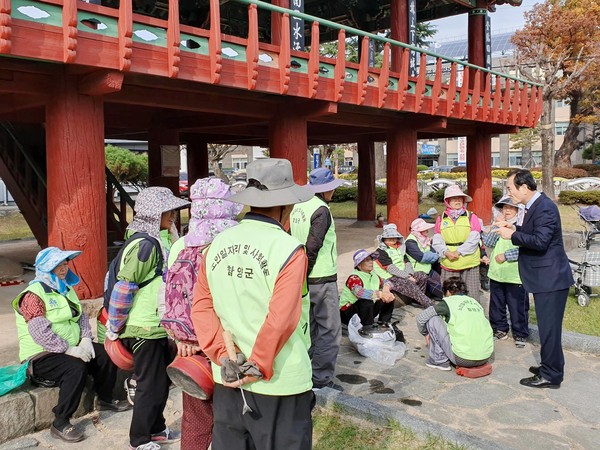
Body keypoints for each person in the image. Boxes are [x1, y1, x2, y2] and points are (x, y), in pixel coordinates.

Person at [192, 158, 314, 450]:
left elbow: (202, 307)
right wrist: (257, 363)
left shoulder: (216, 244)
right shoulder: (288, 249)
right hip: (280, 381)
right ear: (287, 206)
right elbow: (281, 318)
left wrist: (223, 356)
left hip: (228, 378)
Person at [12, 247, 130, 443]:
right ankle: (60, 421)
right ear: (45, 268)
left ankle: (106, 399)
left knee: (105, 353)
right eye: (57, 265)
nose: (63, 268)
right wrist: (69, 349)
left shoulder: (65, 288)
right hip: (42, 355)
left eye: (65, 264)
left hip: (71, 347)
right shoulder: (32, 295)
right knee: (74, 368)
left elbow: (81, 317)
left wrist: (85, 339)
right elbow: (40, 332)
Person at [105, 187, 189, 450]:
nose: (173, 215)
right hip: (143, 326)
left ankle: (156, 429)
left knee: (160, 383)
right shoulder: (145, 245)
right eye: (168, 210)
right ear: (155, 213)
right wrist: (114, 327)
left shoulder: (157, 239)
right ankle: (139, 438)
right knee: (148, 385)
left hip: (156, 326)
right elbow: (124, 287)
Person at [163, 177, 242, 450]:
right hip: (228, 343)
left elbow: (170, 296)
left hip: (189, 345)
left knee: (196, 416)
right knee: (232, 417)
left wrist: (181, 338)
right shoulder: (234, 243)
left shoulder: (180, 246)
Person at [495, 169, 573, 389]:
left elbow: (540, 241)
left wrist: (512, 235)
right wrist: (515, 227)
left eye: (510, 188)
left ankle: (551, 375)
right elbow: (535, 234)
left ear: (524, 187)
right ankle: (551, 366)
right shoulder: (534, 206)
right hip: (544, 278)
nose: (508, 193)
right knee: (549, 328)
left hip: (551, 279)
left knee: (549, 329)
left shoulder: (546, 207)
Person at [289, 167, 344, 391]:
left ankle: (306, 371)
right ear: (326, 190)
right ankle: (321, 379)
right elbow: (313, 245)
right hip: (320, 277)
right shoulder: (321, 209)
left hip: (302, 278)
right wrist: (305, 269)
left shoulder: (298, 207)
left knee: (308, 328)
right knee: (330, 330)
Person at [416, 277, 493, 371]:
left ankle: (439, 361)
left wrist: (426, 334)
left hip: (462, 359)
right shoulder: (475, 302)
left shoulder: (448, 302)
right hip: (485, 357)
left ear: (448, 292)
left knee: (433, 319)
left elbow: (421, 318)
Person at [483, 196, 529, 348]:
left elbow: (527, 248)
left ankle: (520, 333)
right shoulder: (500, 224)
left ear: (518, 210)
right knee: (497, 304)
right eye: (504, 207)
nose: (507, 210)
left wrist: (506, 256)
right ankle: (499, 328)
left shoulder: (524, 226)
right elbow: (489, 242)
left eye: (511, 207)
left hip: (515, 274)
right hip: (497, 272)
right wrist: (496, 225)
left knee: (517, 306)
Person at [432, 185, 483, 303]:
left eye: (460, 198)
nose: (458, 201)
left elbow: (474, 238)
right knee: (450, 295)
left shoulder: (471, 217)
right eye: (454, 198)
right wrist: (446, 252)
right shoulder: (441, 219)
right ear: (447, 201)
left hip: (469, 261)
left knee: (472, 294)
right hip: (449, 261)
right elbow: (437, 240)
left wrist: (458, 252)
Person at [372, 224, 435, 308]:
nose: (392, 239)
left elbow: (407, 262)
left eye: (394, 237)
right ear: (384, 239)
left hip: (403, 274)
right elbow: (391, 269)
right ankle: (429, 304)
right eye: (389, 237)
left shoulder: (400, 248)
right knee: (409, 283)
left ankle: (417, 300)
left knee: (422, 276)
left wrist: (410, 274)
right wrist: (407, 277)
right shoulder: (380, 251)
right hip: (390, 277)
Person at [339, 249, 395, 336]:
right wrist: (380, 294)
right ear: (359, 265)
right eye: (366, 260)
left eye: (371, 260)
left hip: (366, 311)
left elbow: (388, 283)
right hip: (348, 313)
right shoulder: (354, 277)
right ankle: (367, 328)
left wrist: (386, 291)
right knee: (366, 301)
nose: (371, 262)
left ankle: (384, 323)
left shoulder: (374, 275)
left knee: (390, 297)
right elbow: (359, 292)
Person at [405, 218, 443, 300]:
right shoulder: (410, 242)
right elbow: (421, 257)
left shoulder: (425, 240)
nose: (427, 231)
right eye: (424, 229)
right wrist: (433, 256)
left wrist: (432, 256)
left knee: (442, 282)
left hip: (428, 269)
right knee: (438, 288)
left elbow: (434, 252)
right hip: (418, 271)